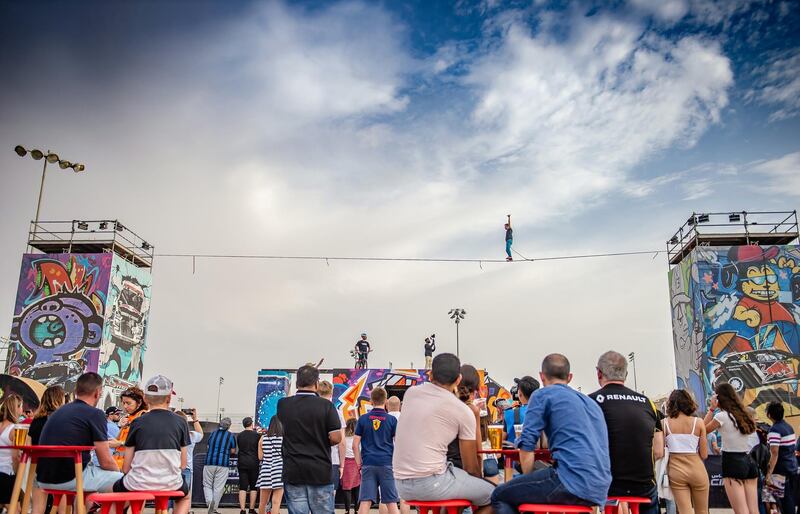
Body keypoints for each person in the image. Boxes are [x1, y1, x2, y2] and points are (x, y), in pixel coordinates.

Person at [491, 354, 610, 514]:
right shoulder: (589, 402)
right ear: (569, 377)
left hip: (570, 481)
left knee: (500, 494)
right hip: (600, 486)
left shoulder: (542, 395)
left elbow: (527, 445)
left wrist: (528, 479)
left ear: (542, 376)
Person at [393, 353, 494, 514]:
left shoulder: (411, 393)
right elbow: (471, 468)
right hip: (432, 483)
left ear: (430, 374)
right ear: (458, 379)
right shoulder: (462, 411)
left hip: (401, 485)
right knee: (497, 496)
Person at [588, 351, 663, 514]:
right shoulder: (647, 403)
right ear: (626, 374)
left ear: (599, 373)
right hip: (643, 484)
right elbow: (658, 451)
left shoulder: (590, 402)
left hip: (607, 484)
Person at [35, 373, 123, 502]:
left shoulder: (59, 412)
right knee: (124, 483)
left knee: (91, 481)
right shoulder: (95, 414)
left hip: (43, 477)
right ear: (98, 393)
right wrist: (120, 475)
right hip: (70, 478)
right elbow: (106, 462)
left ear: (76, 391)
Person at [112, 375, 191, 514]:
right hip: (170, 483)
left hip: (138, 482)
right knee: (185, 498)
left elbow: (126, 468)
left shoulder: (136, 422)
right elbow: (183, 464)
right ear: (168, 398)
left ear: (146, 399)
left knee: (117, 494)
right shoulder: (181, 422)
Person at [276, 365, 342, 514]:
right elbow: (336, 437)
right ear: (317, 383)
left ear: (298, 383)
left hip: (293, 471)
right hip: (319, 470)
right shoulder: (326, 406)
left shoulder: (283, 405)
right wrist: (321, 439)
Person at [704, 383, 758, 514]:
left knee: (741, 510)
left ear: (719, 398)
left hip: (732, 462)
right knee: (753, 509)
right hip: (749, 461)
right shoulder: (744, 414)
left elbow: (702, 429)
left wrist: (711, 409)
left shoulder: (721, 416)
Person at [663, 389, 709, 514]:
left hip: (676, 470)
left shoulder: (664, 423)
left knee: (684, 511)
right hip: (697, 469)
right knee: (703, 511)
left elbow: (661, 451)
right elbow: (704, 454)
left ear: (670, 404)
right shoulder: (698, 423)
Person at [354, 387, 399, 514]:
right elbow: (398, 443)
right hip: (386, 463)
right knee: (391, 502)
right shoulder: (392, 420)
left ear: (371, 401)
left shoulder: (363, 419)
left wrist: (359, 465)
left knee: (365, 502)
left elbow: (355, 445)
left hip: (368, 463)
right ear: (386, 401)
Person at [446, 365, 482, 471]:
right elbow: (478, 451)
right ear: (475, 389)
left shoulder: (445, 406)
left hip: (442, 467)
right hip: (462, 468)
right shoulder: (472, 410)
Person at [764, 401, 797, 514]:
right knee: (788, 499)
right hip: (791, 467)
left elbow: (774, 453)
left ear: (769, 415)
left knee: (775, 501)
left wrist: (769, 473)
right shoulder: (789, 427)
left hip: (779, 470)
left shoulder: (775, 430)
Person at [318, 380, 346, 503]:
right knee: (330, 497)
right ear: (332, 393)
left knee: (313, 496)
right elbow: (342, 442)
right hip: (332, 459)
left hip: (313, 459)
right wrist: (342, 465)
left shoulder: (311, 410)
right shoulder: (337, 412)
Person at [204, 417, 236, 514]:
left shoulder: (213, 433)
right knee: (218, 487)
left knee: (207, 485)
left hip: (209, 462)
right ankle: (213, 508)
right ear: (229, 426)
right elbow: (233, 450)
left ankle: (209, 502)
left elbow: (208, 446)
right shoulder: (230, 436)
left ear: (220, 424)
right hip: (223, 464)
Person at [174, 410, 203, 508]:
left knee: (169, 495)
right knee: (184, 496)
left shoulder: (169, 435)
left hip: (171, 468)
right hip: (186, 468)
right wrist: (195, 419)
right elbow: (201, 434)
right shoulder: (191, 435)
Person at [114, 387, 148, 469]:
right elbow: (117, 440)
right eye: (123, 403)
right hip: (119, 465)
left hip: (132, 467)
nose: (125, 406)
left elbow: (142, 442)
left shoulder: (143, 417)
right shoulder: (127, 417)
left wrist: (120, 443)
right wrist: (122, 428)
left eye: (128, 403)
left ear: (139, 402)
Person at [256, 416, 284, 514]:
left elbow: (260, 457)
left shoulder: (263, 438)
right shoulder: (283, 439)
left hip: (266, 471)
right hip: (279, 470)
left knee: (262, 503)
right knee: (276, 502)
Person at [0, 394, 22, 509]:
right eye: (21, 406)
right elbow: (16, 456)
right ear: (16, 408)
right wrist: (18, 474)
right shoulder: (16, 429)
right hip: (7, 473)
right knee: (15, 509)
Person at [503, 376, 538, 446]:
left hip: (515, 455)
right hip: (541, 455)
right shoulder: (544, 412)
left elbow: (502, 439)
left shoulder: (509, 413)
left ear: (519, 394)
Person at [238, 417, 262, 514]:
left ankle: (242, 509)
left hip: (242, 462)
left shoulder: (239, 435)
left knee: (242, 487)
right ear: (251, 424)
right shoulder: (257, 436)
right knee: (253, 486)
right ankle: (251, 509)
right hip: (253, 462)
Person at [341, 418, 361, 514]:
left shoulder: (343, 438)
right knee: (357, 488)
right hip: (357, 463)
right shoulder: (358, 439)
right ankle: (357, 510)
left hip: (346, 463)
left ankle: (347, 510)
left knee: (347, 488)